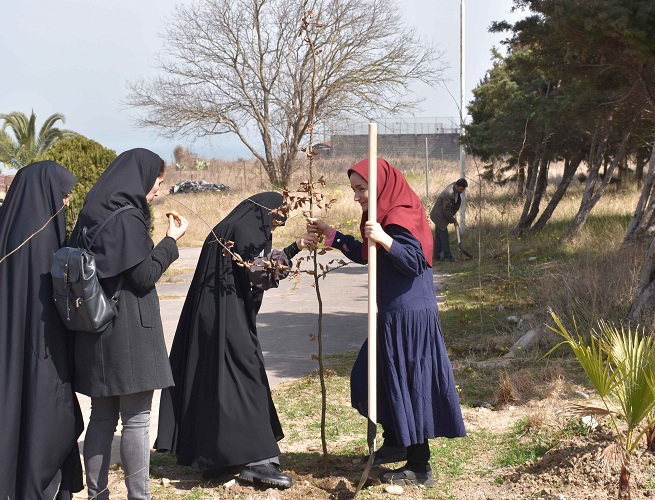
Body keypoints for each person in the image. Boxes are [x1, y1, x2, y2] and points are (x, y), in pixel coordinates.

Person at [308, 158, 466, 488]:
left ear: (380, 185)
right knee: (370, 378)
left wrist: (385, 238)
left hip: (410, 316)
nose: (357, 196)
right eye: (354, 189)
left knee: (409, 385)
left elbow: (414, 262)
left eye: (361, 189)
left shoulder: (400, 214)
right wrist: (332, 235)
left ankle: (420, 467)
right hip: (391, 314)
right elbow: (367, 253)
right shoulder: (381, 215)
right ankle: (396, 441)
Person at [155, 192, 318, 490]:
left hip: (214, 317)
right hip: (228, 319)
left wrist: (292, 247)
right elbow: (258, 274)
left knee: (219, 384)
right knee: (247, 379)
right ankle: (258, 460)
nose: (273, 230)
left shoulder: (229, 227)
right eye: (274, 224)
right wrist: (294, 248)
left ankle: (219, 458)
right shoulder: (246, 230)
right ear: (265, 214)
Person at [70, 148, 189, 500]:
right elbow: (143, 275)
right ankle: (140, 496)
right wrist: (171, 240)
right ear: (142, 177)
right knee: (136, 420)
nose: (156, 190)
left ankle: (98, 495)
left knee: (101, 418)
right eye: (157, 181)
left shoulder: (90, 212)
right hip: (130, 330)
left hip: (95, 328)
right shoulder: (128, 217)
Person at [0, 161, 84, 499]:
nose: (66, 202)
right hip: (43, 350)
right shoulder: (45, 240)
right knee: (45, 417)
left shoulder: (6, 231)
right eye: (62, 195)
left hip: (9, 350)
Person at [429, 178, 467, 262]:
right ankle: (448, 257)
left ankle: (437, 256)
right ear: (457, 186)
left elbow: (453, 206)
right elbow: (446, 210)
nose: (462, 191)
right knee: (444, 236)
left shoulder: (456, 191)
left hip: (442, 215)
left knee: (439, 237)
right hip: (439, 216)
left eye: (463, 190)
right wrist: (454, 221)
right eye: (461, 189)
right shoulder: (449, 193)